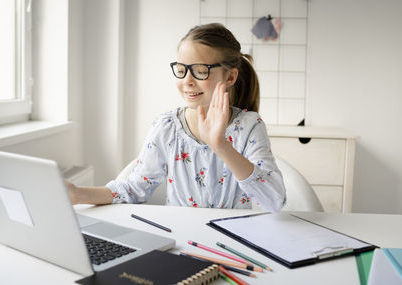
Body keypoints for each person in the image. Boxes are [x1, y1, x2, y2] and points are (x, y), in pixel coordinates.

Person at [67, 23, 286, 212]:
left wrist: (220, 145)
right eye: (182, 69)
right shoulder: (168, 127)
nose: (187, 81)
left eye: (201, 70)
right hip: (183, 238)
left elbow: (274, 201)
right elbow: (135, 188)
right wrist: (78, 194)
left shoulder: (249, 126)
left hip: (233, 241)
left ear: (230, 76)